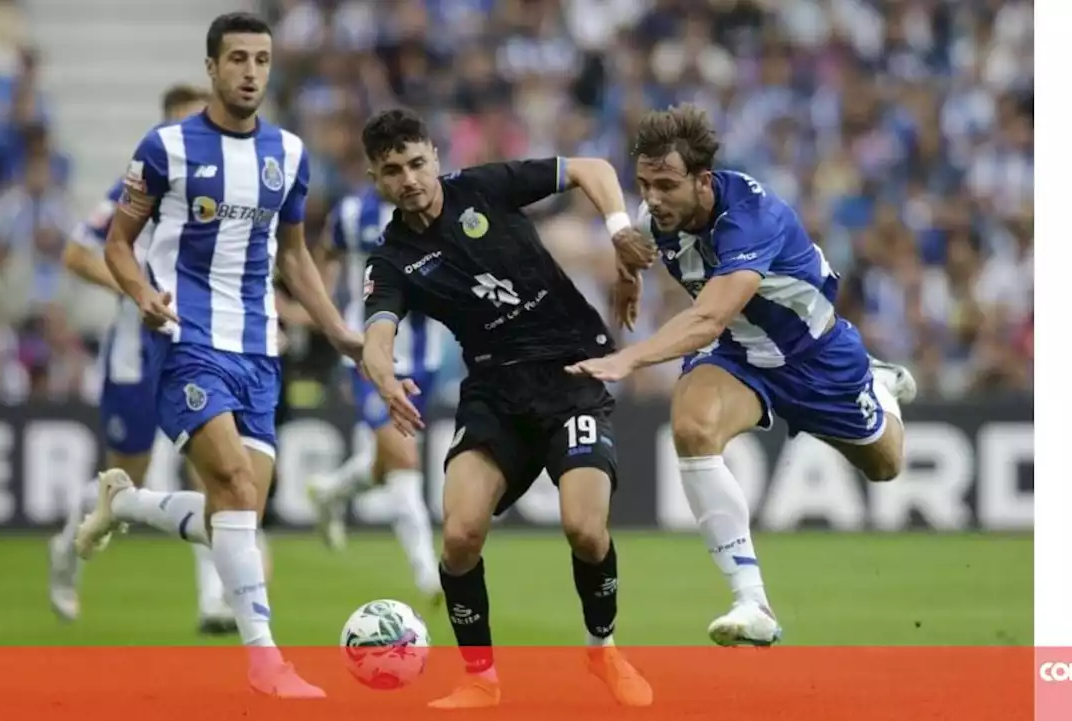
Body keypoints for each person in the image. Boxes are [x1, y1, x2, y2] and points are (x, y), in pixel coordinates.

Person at [74, 12, 361, 698]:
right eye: (237, 59)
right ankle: (266, 661)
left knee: (235, 515)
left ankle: (128, 504)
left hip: (259, 346)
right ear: (212, 67)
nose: (251, 72)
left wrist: (337, 329)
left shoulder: (288, 155)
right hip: (185, 340)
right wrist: (141, 291)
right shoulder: (166, 147)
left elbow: (294, 255)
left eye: (261, 60)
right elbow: (117, 242)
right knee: (231, 485)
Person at [567, 104, 918, 646]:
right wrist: (628, 276)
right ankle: (752, 601)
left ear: (703, 181)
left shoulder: (752, 218)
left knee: (886, 466)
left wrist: (628, 359)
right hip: (738, 357)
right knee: (690, 427)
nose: (653, 197)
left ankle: (880, 384)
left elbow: (707, 318)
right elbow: (635, 242)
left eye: (665, 184)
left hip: (816, 358)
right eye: (644, 184)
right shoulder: (658, 215)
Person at [358, 108, 657, 709]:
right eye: (393, 170)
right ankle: (479, 679)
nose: (410, 178)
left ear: (436, 157)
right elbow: (377, 332)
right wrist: (385, 378)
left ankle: (602, 649)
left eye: (417, 162)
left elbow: (593, 168)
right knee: (461, 533)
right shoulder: (391, 258)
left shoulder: (484, 187)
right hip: (496, 392)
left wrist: (621, 231)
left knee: (585, 528)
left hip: (574, 372)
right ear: (377, 179)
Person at [47, 83, 252, 636]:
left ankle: (214, 600)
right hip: (137, 360)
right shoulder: (135, 187)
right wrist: (133, 286)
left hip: (202, 351)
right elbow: (75, 252)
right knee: (126, 477)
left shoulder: (226, 192)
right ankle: (65, 549)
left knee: (214, 472)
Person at [305, 186, 445, 605]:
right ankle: (427, 573)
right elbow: (325, 255)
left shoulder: (440, 207)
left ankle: (331, 493)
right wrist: (325, 310)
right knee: (403, 456)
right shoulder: (352, 213)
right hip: (369, 353)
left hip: (424, 357)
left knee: (387, 463)